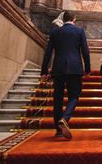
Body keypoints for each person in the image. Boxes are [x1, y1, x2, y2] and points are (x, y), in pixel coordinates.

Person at [41, 11, 91, 139]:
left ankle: (58, 131)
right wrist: (87, 69)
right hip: (74, 68)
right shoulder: (79, 31)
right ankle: (65, 118)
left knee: (57, 99)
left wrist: (44, 71)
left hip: (58, 68)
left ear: (63, 19)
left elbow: (48, 52)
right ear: (74, 19)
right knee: (74, 95)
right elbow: (85, 51)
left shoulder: (55, 32)